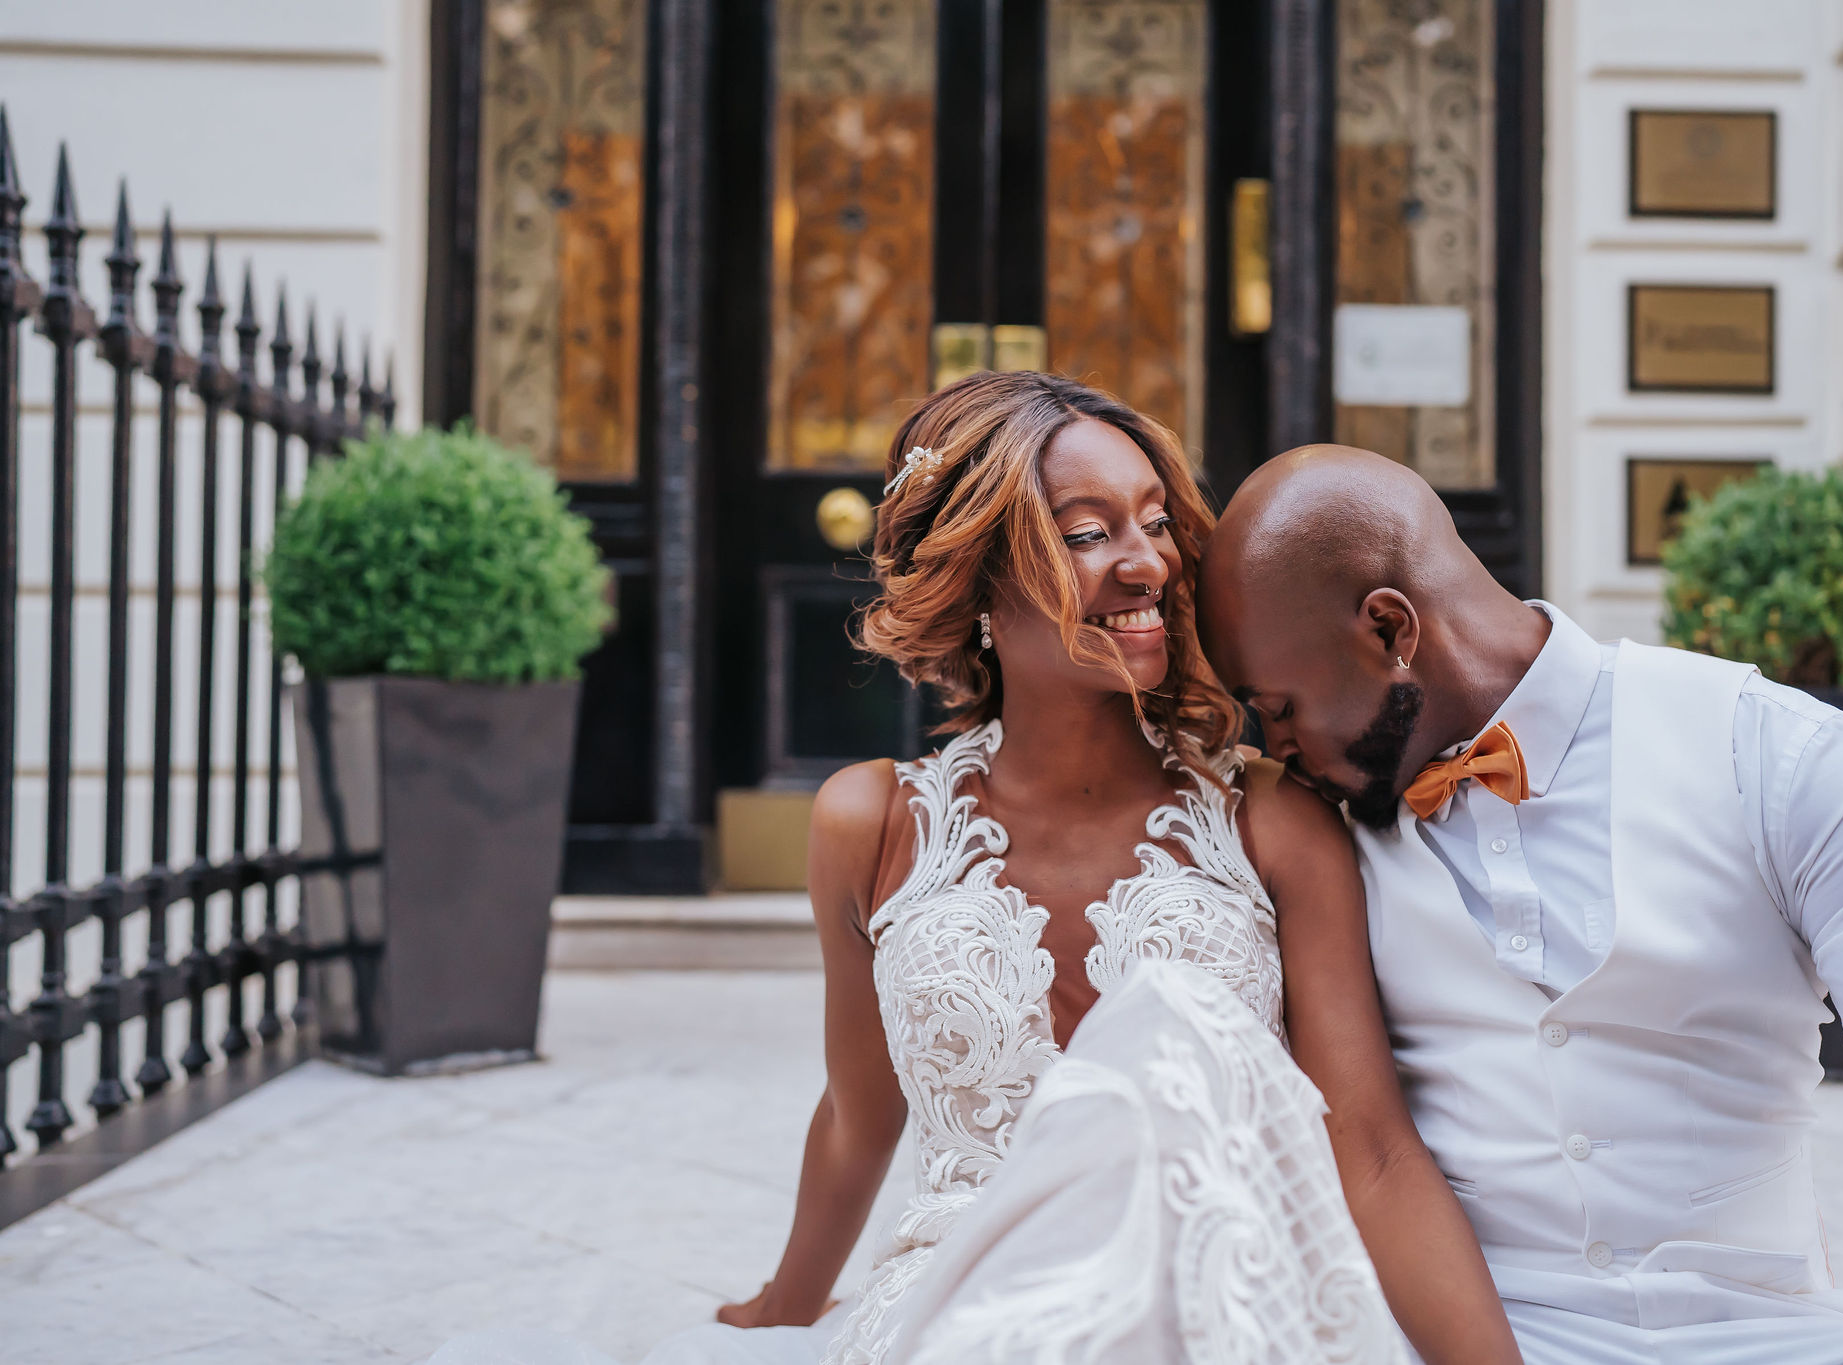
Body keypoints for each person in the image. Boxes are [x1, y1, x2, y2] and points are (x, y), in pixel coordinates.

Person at [431, 377, 1521, 1365]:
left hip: (1217, 1296)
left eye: (1153, 524)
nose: (1144, 563)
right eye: (1087, 534)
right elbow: (861, 1115)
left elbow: (1368, 1146)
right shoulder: (871, 822)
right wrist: (783, 1306)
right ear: (979, 583)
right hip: (952, 1308)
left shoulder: (1270, 821)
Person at [1195, 444, 1843, 1365]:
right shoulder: (1312, 836)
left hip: (1778, 1339)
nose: (1275, 744)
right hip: (1471, 1338)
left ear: (1391, 631)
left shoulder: (1782, 759)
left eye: (1278, 708)